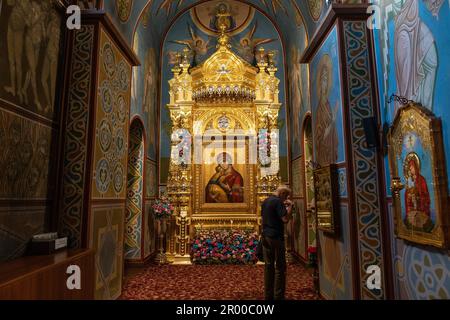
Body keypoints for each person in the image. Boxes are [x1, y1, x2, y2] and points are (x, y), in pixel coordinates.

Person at [261, 185, 293, 300]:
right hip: (275, 237)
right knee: (280, 267)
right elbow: (285, 219)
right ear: (282, 193)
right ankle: (278, 296)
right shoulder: (278, 202)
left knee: (268, 266)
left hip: (265, 236)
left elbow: (263, 219)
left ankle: (268, 295)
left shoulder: (266, 201)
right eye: (286, 196)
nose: (286, 199)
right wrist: (290, 207)